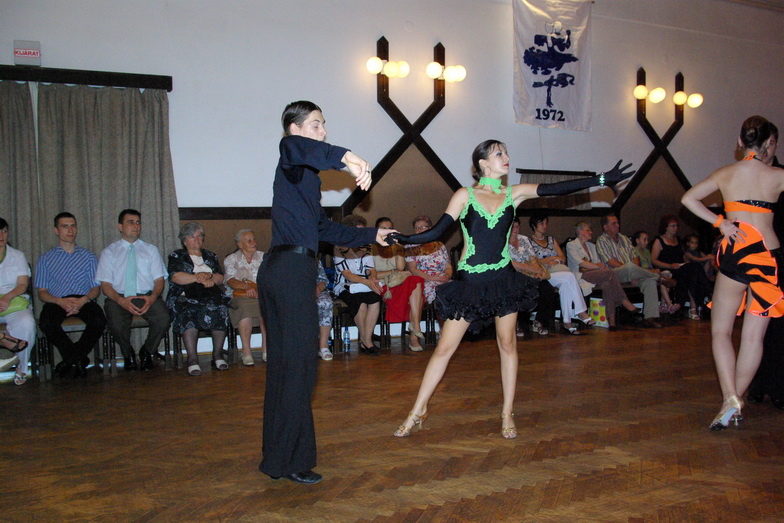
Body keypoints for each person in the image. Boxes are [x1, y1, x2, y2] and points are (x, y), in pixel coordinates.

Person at [390, 139, 633, 439]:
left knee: (507, 345)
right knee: (443, 349)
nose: (506, 157)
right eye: (499, 153)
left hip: (503, 281)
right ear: (483, 163)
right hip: (470, 284)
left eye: (506, 153)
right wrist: (404, 239)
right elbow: (438, 230)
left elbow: (555, 189)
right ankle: (417, 411)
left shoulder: (513, 194)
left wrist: (601, 179)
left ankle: (507, 413)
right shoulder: (465, 195)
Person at [256, 100, 393, 485]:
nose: (323, 131)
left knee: (287, 367)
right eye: (316, 124)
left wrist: (374, 234)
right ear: (295, 129)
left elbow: (324, 229)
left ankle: (277, 458)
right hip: (289, 270)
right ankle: (292, 460)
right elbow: (296, 147)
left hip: (285, 269)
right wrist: (349, 158)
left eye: (324, 124)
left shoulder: (304, 179)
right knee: (299, 367)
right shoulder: (290, 154)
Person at [682, 115, 784, 430]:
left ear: (740, 142)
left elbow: (688, 198)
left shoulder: (725, 173)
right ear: (769, 143)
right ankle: (733, 401)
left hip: (735, 254)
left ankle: (730, 398)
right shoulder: (778, 176)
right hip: (766, 257)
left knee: (721, 332)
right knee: (753, 337)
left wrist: (721, 223)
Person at [96, 209, 171, 372]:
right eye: (130, 222)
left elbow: (159, 280)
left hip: (146, 295)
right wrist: (120, 300)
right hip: (119, 297)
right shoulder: (109, 252)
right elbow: (106, 285)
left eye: (138, 223)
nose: (135, 226)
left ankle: (147, 352)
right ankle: (128, 354)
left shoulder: (150, 250)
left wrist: (152, 297)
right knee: (115, 322)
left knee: (164, 317)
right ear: (120, 227)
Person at [35, 212, 107, 379]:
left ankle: (69, 360)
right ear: (56, 230)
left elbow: (95, 288)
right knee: (46, 323)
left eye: (73, 226)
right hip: (57, 300)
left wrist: (83, 300)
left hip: (83, 299)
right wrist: (59, 301)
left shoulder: (89, 257)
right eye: (65, 226)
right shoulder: (46, 259)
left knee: (99, 321)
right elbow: (42, 293)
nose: (70, 230)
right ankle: (79, 359)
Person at [512, 217, 594, 335]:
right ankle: (578, 313)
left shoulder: (527, 239)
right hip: (523, 274)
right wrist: (547, 261)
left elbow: (541, 258)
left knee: (568, 279)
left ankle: (568, 321)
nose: (545, 226)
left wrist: (540, 268)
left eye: (517, 226)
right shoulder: (524, 240)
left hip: (542, 272)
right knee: (566, 279)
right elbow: (521, 262)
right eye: (541, 223)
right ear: (534, 225)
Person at [166, 222, 229, 376]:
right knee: (189, 311)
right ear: (184, 240)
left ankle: (218, 355)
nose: (196, 239)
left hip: (210, 295)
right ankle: (193, 359)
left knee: (220, 308)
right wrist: (198, 278)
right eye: (192, 236)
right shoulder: (177, 255)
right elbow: (175, 277)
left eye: (199, 236)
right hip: (186, 296)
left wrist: (209, 276)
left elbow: (220, 278)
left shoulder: (211, 256)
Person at [566, 222, 640, 329]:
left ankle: (612, 321)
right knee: (610, 273)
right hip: (580, 275)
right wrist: (598, 266)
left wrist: (600, 266)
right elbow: (581, 263)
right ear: (580, 231)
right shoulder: (571, 245)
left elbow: (598, 262)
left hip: (595, 275)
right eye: (588, 230)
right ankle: (624, 301)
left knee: (607, 284)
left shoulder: (592, 246)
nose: (591, 232)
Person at [596, 214, 663, 328]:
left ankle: (649, 317)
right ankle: (659, 277)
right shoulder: (601, 241)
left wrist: (634, 273)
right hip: (614, 274)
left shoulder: (624, 238)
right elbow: (610, 261)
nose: (618, 225)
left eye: (617, 223)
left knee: (650, 281)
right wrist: (630, 270)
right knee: (630, 267)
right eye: (614, 223)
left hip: (633, 273)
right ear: (605, 227)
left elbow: (634, 256)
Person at [333, 215, 383, 356]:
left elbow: (370, 268)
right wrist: (367, 282)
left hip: (364, 284)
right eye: (359, 231)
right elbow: (347, 274)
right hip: (344, 285)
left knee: (375, 297)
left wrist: (372, 279)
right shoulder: (339, 247)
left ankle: (365, 340)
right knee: (360, 302)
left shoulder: (366, 246)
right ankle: (367, 341)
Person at [373, 216, 425, 351]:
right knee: (415, 293)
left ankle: (415, 327)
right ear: (377, 230)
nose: (387, 231)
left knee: (415, 281)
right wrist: (392, 272)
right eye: (384, 228)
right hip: (383, 285)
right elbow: (373, 275)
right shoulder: (370, 247)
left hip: (398, 282)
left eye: (390, 228)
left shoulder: (395, 246)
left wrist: (399, 248)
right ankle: (414, 334)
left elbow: (401, 268)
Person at [651, 215, 712, 320]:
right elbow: (653, 260)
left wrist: (686, 262)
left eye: (676, 226)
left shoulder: (678, 240)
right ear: (666, 227)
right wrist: (670, 265)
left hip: (679, 268)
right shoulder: (659, 240)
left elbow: (682, 256)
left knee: (693, 271)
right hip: (667, 269)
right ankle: (705, 297)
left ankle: (694, 306)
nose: (675, 228)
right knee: (693, 272)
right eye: (673, 226)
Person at [0, 217, 35, 385]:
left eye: (4, 231)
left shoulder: (17, 255)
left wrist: (7, 298)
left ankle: (21, 366)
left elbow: (22, 284)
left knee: (26, 323)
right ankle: (4, 340)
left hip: (13, 300)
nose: (1, 235)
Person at [224, 229, 267, 366]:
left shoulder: (264, 257)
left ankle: (266, 349)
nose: (254, 243)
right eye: (249, 241)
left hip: (261, 294)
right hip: (240, 296)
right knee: (244, 308)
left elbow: (271, 278)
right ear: (240, 244)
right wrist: (247, 287)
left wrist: (259, 290)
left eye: (254, 239)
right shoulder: (231, 259)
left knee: (267, 307)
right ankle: (246, 351)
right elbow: (230, 280)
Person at [630, 231, 678, 315]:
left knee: (666, 274)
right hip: (643, 274)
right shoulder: (633, 252)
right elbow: (637, 268)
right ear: (637, 241)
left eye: (647, 240)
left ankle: (663, 305)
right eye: (644, 240)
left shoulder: (646, 251)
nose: (647, 242)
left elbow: (650, 265)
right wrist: (653, 271)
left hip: (651, 272)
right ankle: (669, 304)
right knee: (663, 280)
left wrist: (655, 271)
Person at [316, 260, 334, 361]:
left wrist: (318, 288)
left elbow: (323, 280)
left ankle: (323, 346)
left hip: (316, 291)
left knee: (325, 302)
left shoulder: (313, 259)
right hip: (295, 292)